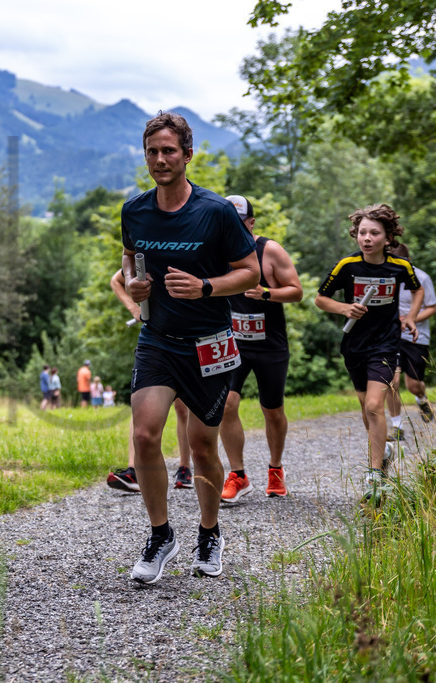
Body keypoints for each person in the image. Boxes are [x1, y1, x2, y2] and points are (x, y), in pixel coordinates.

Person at [122, 111, 259, 584]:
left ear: (187, 155)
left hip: (210, 343)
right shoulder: (135, 209)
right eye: (153, 152)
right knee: (144, 436)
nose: (160, 159)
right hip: (157, 339)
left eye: (169, 151)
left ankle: (208, 531)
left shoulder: (216, 211)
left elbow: (249, 272)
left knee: (202, 447)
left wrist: (204, 287)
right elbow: (130, 259)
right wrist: (136, 285)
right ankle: (161, 535)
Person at [314, 204, 423, 505]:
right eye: (362, 232)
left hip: (386, 345)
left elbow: (418, 291)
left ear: (388, 238)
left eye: (374, 233)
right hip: (354, 346)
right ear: (356, 235)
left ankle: (375, 475)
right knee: (366, 409)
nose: (367, 238)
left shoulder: (400, 267)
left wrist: (411, 317)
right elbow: (320, 299)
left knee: (376, 405)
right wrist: (344, 308)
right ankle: (384, 451)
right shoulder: (346, 267)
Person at [218, 195, 303, 502]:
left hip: (269, 344)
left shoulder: (270, 250)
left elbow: (297, 291)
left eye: (239, 224)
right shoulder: (214, 250)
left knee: (273, 410)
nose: (233, 229)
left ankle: (275, 469)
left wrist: (266, 293)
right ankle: (238, 474)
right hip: (232, 342)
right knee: (226, 404)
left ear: (251, 223)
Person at [107, 268, 196, 492]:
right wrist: (133, 308)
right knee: (143, 403)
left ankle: (184, 468)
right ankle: (134, 470)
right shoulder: (149, 246)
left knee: (183, 406)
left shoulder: (194, 241)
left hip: (191, 332)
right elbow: (116, 280)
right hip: (155, 336)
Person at [386, 243, 436, 439]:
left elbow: (432, 307)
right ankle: (397, 426)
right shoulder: (385, 276)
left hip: (416, 337)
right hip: (390, 337)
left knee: (413, 384)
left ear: (406, 262)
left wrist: (410, 319)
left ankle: (421, 399)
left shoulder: (422, 278)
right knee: (391, 381)